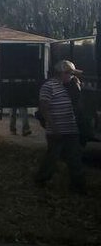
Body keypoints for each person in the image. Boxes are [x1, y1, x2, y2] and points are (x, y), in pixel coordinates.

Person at [34, 60, 86, 194]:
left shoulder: (71, 86)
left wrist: (76, 81)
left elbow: (78, 103)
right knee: (52, 157)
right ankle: (41, 179)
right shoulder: (49, 86)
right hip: (56, 130)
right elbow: (44, 108)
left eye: (71, 74)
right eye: (68, 73)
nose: (71, 76)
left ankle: (78, 186)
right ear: (60, 73)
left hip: (71, 129)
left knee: (75, 157)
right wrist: (53, 126)